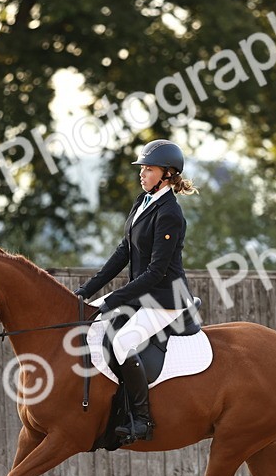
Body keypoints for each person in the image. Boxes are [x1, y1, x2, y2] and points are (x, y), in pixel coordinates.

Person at [74, 139, 199, 443]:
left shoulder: (170, 213)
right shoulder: (143, 202)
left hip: (165, 299)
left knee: (121, 344)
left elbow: (155, 272)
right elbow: (122, 253)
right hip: (144, 295)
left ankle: (141, 419)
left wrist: (116, 298)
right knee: (95, 329)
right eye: (142, 168)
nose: (142, 173)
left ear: (168, 174)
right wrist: (87, 290)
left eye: (149, 169)